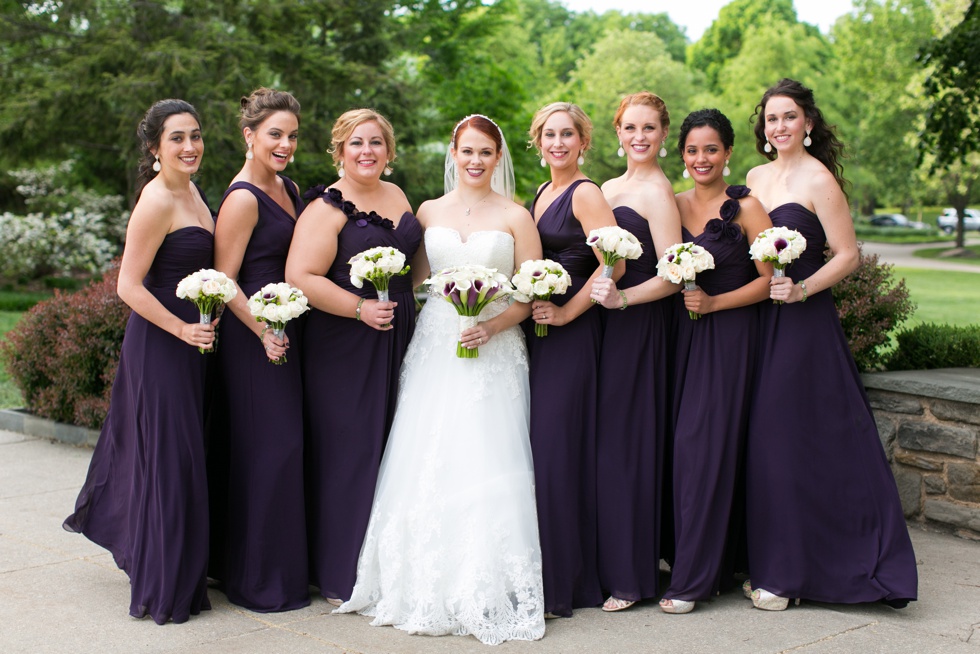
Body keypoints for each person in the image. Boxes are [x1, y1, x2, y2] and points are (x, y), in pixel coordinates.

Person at [337, 114, 545, 645]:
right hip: (435, 344)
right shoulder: (427, 210)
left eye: (485, 152)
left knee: (489, 456)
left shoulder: (518, 216)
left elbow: (532, 293)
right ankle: (419, 581)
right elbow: (418, 277)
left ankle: (487, 584)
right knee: (428, 452)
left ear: (499, 158)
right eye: (467, 151)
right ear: (453, 154)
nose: (475, 161)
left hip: (495, 346)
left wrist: (492, 324)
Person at [742, 78, 917, 610]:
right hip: (755, 321)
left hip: (802, 322)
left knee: (789, 438)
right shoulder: (753, 177)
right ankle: (770, 561)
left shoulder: (819, 180)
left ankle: (795, 575)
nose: (780, 126)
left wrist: (801, 289)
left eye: (789, 116)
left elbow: (847, 254)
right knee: (763, 444)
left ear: (808, 123)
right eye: (772, 118)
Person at [63, 99, 214, 624]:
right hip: (161, 344)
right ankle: (163, 585)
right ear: (155, 148)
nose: (190, 146)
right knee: (168, 461)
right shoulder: (156, 201)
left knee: (184, 458)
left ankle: (184, 575)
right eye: (177, 138)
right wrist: (180, 327)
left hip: (193, 343)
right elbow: (129, 285)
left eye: (195, 135)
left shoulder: (193, 192)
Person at [285, 108, 423, 607]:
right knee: (351, 452)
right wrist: (359, 308)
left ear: (388, 151)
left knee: (392, 448)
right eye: (357, 143)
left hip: (399, 336)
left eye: (377, 143)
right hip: (346, 341)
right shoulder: (325, 208)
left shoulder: (397, 195)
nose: (367, 151)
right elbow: (302, 275)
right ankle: (340, 571)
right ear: (340, 150)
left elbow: (416, 264)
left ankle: (382, 564)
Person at [657, 109, 773, 615]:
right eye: (692, 149)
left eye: (711, 149)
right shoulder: (671, 204)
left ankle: (692, 580)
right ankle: (714, 561)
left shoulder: (746, 208)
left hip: (727, 336)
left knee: (700, 449)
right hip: (677, 336)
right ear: (681, 154)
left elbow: (770, 280)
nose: (700, 158)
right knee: (676, 447)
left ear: (727, 153)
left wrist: (715, 304)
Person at [208, 88, 309, 612]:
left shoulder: (288, 187)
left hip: (286, 333)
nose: (285, 143)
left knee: (285, 449)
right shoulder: (244, 196)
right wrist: (264, 330)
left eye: (292, 135)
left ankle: (279, 567)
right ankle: (255, 578)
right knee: (268, 451)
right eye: (275, 134)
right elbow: (223, 281)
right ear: (249, 135)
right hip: (255, 341)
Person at [526, 102, 620, 618]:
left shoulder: (586, 193)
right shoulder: (543, 193)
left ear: (583, 141)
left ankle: (565, 581)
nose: (557, 143)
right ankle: (545, 567)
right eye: (549, 135)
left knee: (559, 451)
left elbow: (615, 265)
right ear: (538, 144)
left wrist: (566, 316)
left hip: (572, 335)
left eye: (567, 135)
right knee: (542, 452)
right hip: (539, 333)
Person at [589, 92, 682, 611]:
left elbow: (672, 273)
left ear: (663, 135)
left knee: (630, 445)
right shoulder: (607, 187)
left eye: (649, 128)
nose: (639, 136)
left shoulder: (658, 192)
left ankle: (632, 576)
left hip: (641, 324)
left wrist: (623, 298)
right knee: (607, 443)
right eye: (630, 127)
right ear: (618, 132)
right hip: (606, 324)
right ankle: (607, 562)